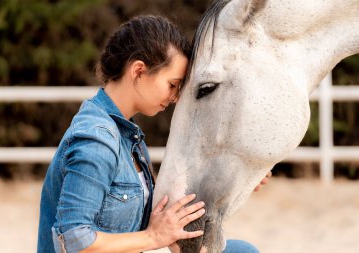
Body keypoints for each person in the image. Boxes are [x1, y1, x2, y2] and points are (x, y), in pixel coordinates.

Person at [37, 15, 270, 253]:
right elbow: (74, 240)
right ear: (138, 71)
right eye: (172, 84)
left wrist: (238, 182)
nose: (176, 96)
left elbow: (151, 216)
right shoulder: (97, 141)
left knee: (240, 250)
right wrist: (153, 238)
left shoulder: (126, 134)